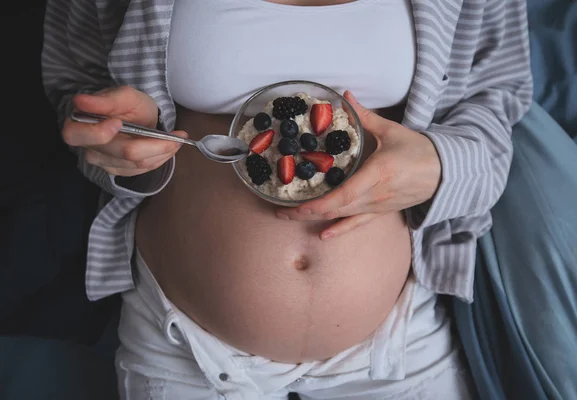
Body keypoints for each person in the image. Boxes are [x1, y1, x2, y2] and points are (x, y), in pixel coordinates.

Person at [42, 0, 532, 398]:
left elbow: (499, 109)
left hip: (396, 352)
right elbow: (77, 97)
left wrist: (441, 166)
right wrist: (125, 150)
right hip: (189, 348)